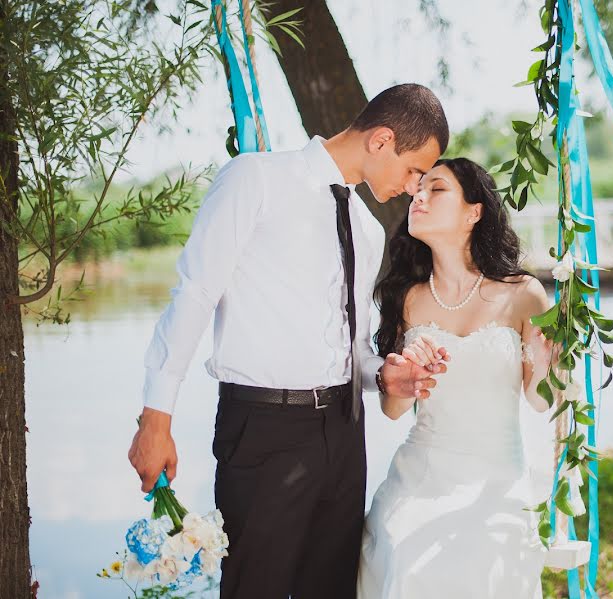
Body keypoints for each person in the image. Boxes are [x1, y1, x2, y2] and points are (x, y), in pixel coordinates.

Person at [127, 83, 451, 598]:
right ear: (382, 140)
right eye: (415, 170)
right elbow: (195, 293)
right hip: (264, 430)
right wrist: (155, 417)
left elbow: (355, 347)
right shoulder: (256, 180)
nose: (416, 187)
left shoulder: (367, 231)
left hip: (346, 435)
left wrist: (381, 373)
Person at [358, 158, 553, 598]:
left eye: (437, 188)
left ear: (474, 212)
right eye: (417, 189)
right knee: (403, 558)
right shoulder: (406, 297)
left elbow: (542, 401)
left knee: (482, 559)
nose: (419, 196)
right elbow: (392, 410)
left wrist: (544, 363)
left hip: (495, 478)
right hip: (420, 475)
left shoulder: (524, 293)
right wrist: (406, 378)